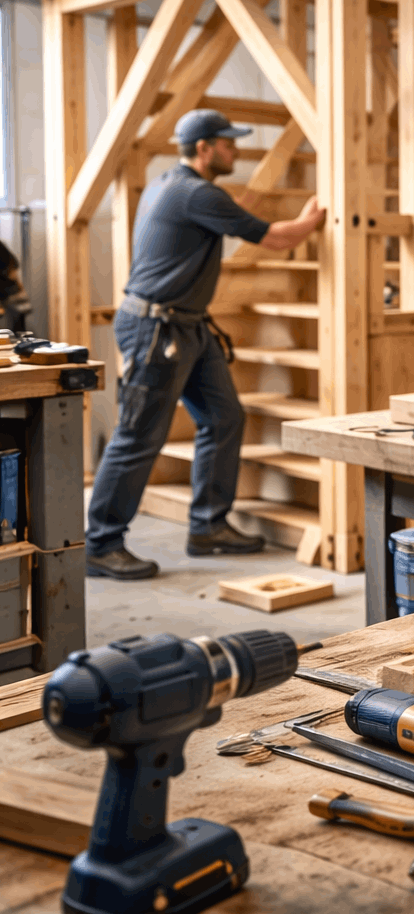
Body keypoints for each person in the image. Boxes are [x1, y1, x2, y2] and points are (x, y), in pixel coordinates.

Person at [86, 109, 327, 580]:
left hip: (188, 327)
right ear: (204, 148)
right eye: (228, 143)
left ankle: (208, 527)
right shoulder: (197, 193)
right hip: (158, 330)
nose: (235, 150)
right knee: (139, 435)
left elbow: (231, 218)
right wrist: (314, 217)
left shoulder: (168, 184)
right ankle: (100, 543)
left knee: (223, 416)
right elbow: (278, 240)